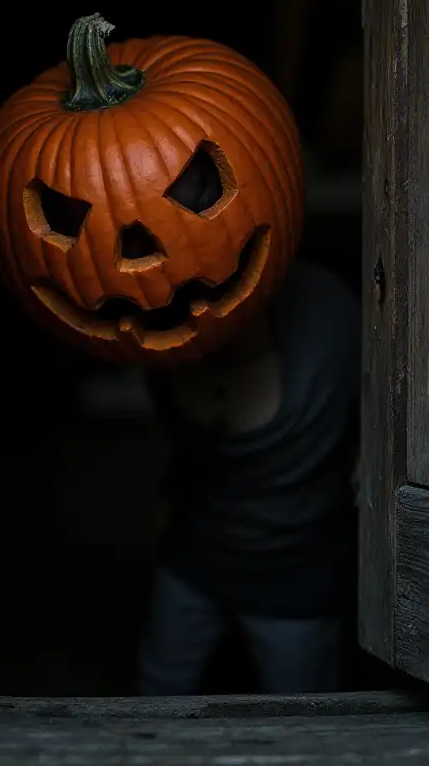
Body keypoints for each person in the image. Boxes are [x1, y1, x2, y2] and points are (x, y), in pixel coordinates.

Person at [137, 258, 362, 695]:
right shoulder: (155, 336)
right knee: (156, 692)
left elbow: (391, 399)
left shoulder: (330, 324)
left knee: (304, 722)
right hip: (195, 554)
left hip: (298, 575)